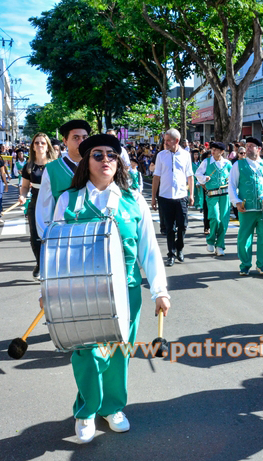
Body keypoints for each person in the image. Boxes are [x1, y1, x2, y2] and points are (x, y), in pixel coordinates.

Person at [49, 134, 170, 443]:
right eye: (98, 155)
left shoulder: (133, 199)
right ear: (86, 161)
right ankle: (87, 411)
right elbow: (54, 251)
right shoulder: (69, 199)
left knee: (118, 354)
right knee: (88, 352)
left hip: (126, 290)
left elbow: (148, 247)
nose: (106, 161)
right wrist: (47, 292)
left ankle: (112, 407)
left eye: (112, 156)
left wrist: (160, 290)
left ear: (119, 162)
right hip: (81, 293)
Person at [228, 137, 263, 275]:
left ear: (259, 149)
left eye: (252, 146)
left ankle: (262, 265)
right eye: (247, 146)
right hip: (246, 208)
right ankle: (245, 265)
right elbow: (232, 186)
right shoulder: (238, 165)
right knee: (245, 237)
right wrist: (237, 202)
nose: (248, 148)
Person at [36, 119, 92, 240]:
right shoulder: (52, 169)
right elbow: (44, 206)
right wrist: (47, 236)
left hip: (94, 230)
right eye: (76, 138)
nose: (81, 142)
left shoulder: (97, 165)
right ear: (65, 141)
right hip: (65, 233)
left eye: (85, 137)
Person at [151, 128, 194, 267]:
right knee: (169, 228)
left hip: (181, 196)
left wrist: (191, 194)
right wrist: (153, 197)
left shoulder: (186, 155)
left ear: (176, 141)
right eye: (165, 140)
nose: (166, 143)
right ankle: (171, 254)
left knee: (182, 225)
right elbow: (156, 177)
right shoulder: (161, 155)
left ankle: (179, 248)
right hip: (165, 196)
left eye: (168, 140)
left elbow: (190, 175)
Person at [19, 132, 57, 280]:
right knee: (35, 237)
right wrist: (22, 196)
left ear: (47, 146)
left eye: (43, 143)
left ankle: (51, 264)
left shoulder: (55, 165)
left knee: (53, 235)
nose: (40, 145)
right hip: (35, 203)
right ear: (33, 146)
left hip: (53, 203)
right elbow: (24, 187)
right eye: (37, 143)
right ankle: (40, 264)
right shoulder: (28, 166)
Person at [195, 141, 232, 256]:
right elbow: (197, 174)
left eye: (216, 150)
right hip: (212, 194)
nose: (213, 151)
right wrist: (204, 178)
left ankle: (220, 245)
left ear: (221, 152)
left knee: (224, 221)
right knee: (215, 218)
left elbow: (233, 178)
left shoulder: (228, 163)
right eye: (212, 149)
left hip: (225, 195)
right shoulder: (206, 162)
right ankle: (210, 240)